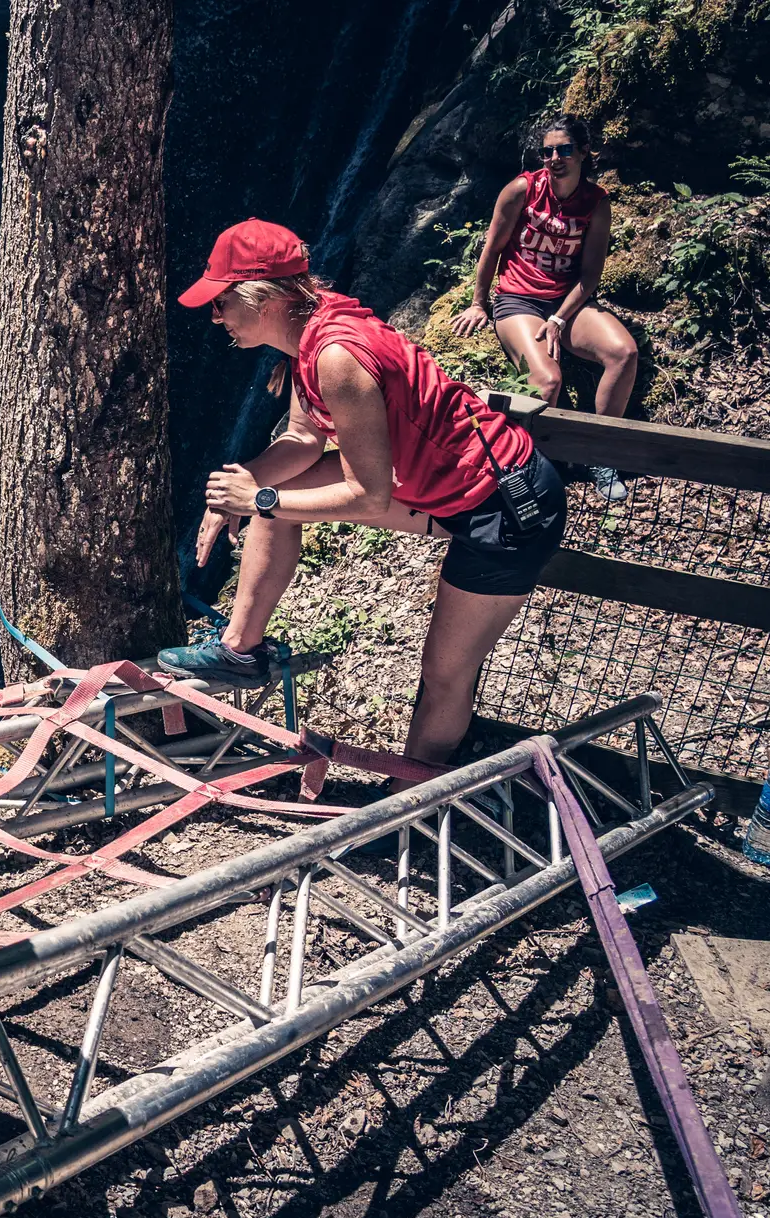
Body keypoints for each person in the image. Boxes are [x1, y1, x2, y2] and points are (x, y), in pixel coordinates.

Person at [158, 219, 567, 774]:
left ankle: (413, 805)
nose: (216, 318)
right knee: (277, 490)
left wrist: (260, 501)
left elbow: (369, 497)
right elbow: (303, 442)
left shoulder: (337, 356)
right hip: (447, 489)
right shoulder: (309, 338)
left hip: (506, 506)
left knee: (444, 674)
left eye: (222, 303)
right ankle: (239, 650)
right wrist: (236, 490)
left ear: (264, 298)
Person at [448, 114, 638, 501]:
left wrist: (559, 318)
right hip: (517, 299)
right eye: (547, 151)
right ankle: (536, 470)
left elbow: (589, 277)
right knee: (548, 381)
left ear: (584, 152)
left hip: (566, 302)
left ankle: (599, 455)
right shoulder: (522, 189)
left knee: (624, 353)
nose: (554, 158)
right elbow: (492, 248)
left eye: (564, 150)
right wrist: (478, 302)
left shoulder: (597, 204)